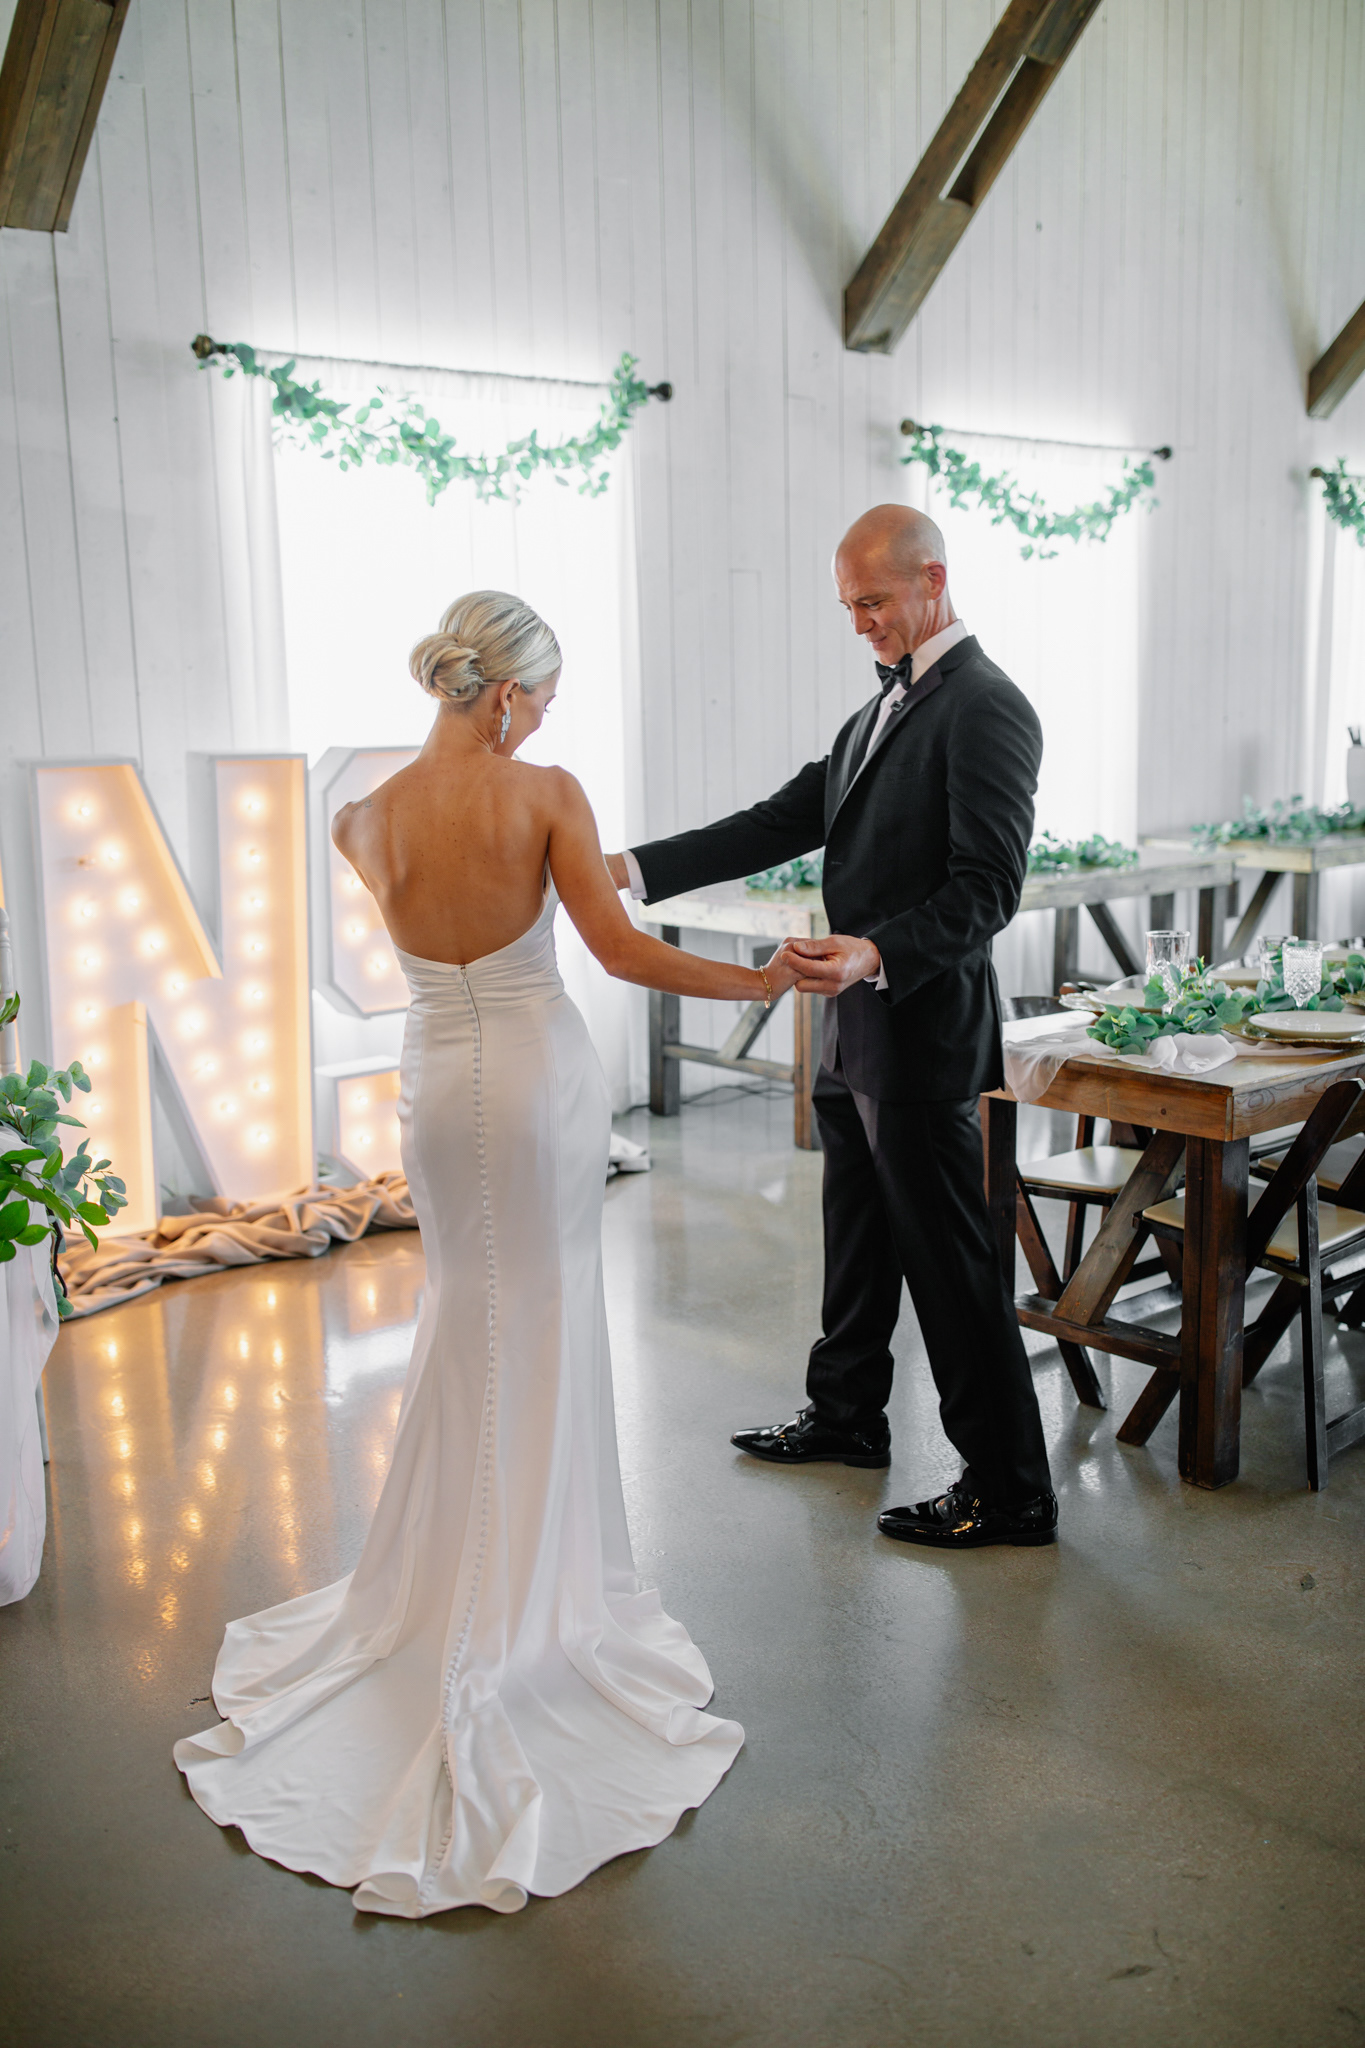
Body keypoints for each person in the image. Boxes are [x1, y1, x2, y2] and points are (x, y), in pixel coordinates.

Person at [174, 589, 802, 1915]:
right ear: (507, 693)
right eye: (546, 700)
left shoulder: (362, 818)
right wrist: (763, 983)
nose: (547, 723)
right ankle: (527, 1608)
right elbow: (619, 950)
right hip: (532, 1078)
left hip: (434, 1079)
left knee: (470, 1314)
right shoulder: (545, 794)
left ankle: (451, 1585)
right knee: (545, 1318)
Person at [606, 506, 1056, 1551]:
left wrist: (872, 952)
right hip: (853, 1027)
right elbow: (779, 818)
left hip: (922, 1029)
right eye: (848, 606)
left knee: (949, 1265)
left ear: (932, 579)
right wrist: (625, 869)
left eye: (874, 602)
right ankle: (847, 1414)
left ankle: (1011, 1491)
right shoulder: (873, 714)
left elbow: (988, 889)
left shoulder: (988, 706)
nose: (860, 624)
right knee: (856, 1237)